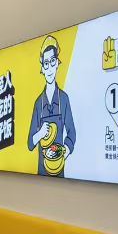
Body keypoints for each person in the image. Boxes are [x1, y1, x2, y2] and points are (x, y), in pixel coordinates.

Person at [28, 34, 76, 176]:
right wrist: (40, 134)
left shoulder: (64, 99)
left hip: (59, 171)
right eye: (46, 63)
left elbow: (72, 133)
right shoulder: (38, 103)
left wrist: (64, 153)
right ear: (42, 68)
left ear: (57, 64)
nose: (49, 68)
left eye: (53, 61)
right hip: (41, 171)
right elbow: (30, 143)